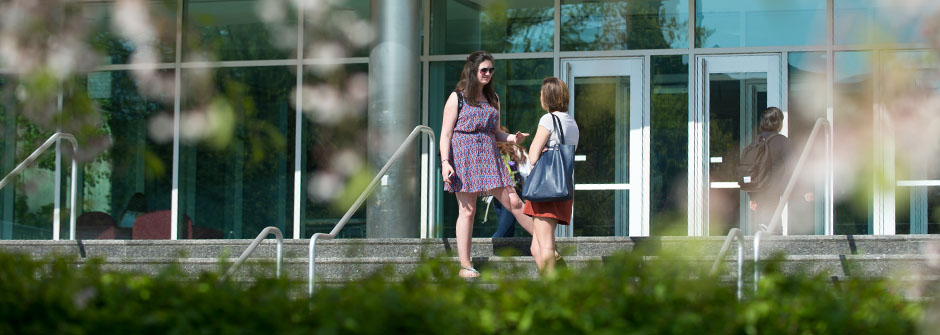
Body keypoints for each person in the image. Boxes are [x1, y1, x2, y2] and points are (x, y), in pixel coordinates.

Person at [439, 50, 542, 278]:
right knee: (467, 211)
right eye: (483, 70)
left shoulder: (494, 99)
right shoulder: (457, 97)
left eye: (490, 70)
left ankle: (545, 245)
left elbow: (495, 133)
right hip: (463, 155)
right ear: (472, 71)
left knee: (514, 201)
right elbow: (445, 134)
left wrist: (513, 138)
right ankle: (465, 266)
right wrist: (446, 162)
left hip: (489, 156)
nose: (487, 74)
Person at [523, 77, 579, 274]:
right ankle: (548, 287)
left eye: (541, 93)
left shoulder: (548, 119)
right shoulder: (571, 121)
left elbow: (532, 156)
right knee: (535, 246)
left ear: (547, 97)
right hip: (562, 187)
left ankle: (551, 291)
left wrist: (541, 150)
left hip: (545, 188)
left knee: (546, 246)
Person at [748, 106, 791, 234]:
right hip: (774, 189)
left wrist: (752, 195)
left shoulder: (755, 142)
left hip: (758, 189)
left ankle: (761, 244)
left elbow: (751, 168)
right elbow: (794, 167)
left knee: (763, 224)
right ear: (778, 123)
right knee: (774, 227)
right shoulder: (783, 142)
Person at [491, 126, 531, 238]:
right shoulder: (516, 150)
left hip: (496, 195)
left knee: (506, 228)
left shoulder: (491, 150)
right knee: (505, 230)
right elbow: (526, 172)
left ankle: (501, 252)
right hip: (513, 191)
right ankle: (492, 250)